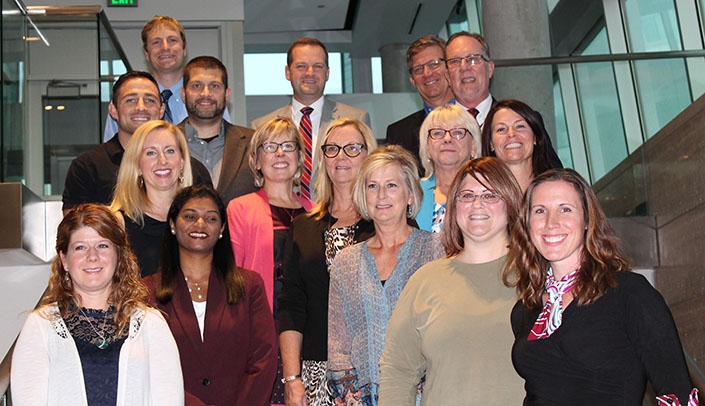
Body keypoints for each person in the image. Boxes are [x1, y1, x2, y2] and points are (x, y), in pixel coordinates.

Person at [505, 168, 700, 405]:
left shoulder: (629, 294)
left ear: (587, 220)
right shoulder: (525, 311)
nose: (550, 222)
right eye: (539, 211)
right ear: (527, 224)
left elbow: (677, 391)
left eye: (565, 209)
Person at [378, 157, 525, 405]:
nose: (477, 204)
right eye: (466, 196)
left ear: (510, 203)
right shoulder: (425, 281)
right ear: (454, 207)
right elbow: (398, 371)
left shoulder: (537, 278)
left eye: (490, 195)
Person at [12, 203, 183, 405]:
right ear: (64, 259)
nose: (92, 256)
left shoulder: (151, 325)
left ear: (118, 255)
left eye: (102, 245)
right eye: (80, 247)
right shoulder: (41, 326)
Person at [327, 145, 444, 405]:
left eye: (391, 185)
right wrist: (348, 395)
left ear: (410, 195)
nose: (381, 195)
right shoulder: (346, 262)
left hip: (425, 395)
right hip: (361, 398)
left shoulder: (436, 251)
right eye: (372, 186)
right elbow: (338, 342)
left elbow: (446, 332)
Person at [143, 185, 278, 406]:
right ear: (172, 225)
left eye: (211, 218)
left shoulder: (250, 286)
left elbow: (263, 358)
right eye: (189, 216)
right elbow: (148, 366)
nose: (200, 224)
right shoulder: (146, 292)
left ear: (222, 228)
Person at [278, 118, 378, 406]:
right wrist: (292, 378)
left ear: (369, 155)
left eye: (352, 148)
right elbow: (292, 307)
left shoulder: (386, 223)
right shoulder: (304, 227)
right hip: (315, 373)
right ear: (322, 158)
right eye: (332, 149)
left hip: (374, 371)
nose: (341, 156)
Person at [227, 117, 315, 404]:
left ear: (300, 157)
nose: (280, 153)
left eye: (288, 146)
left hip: (309, 332)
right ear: (256, 159)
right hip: (261, 334)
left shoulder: (316, 212)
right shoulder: (240, 209)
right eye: (270, 146)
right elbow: (232, 282)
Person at [63, 71, 211, 215]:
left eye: (150, 100)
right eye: (130, 100)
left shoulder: (191, 170)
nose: (141, 107)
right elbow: (76, 231)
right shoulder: (87, 168)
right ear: (113, 110)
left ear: (161, 110)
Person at [251, 37, 370, 200]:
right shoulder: (261, 126)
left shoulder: (356, 119)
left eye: (318, 66)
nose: (310, 73)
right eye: (301, 66)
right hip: (282, 217)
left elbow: (367, 174)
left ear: (327, 73)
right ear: (287, 72)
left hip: (338, 215)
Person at [444, 31, 562, 168]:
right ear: (447, 75)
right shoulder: (435, 131)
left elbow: (553, 173)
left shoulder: (525, 122)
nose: (464, 67)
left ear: (490, 69)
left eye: (473, 59)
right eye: (455, 61)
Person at [102, 16, 230, 141]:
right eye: (156, 42)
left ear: (184, 49)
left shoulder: (207, 99)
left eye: (172, 40)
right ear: (146, 53)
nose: (165, 48)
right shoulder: (127, 99)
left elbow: (224, 145)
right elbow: (111, 151)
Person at [110, 120, 195, 277]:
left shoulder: (199, 220)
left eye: (170, 151)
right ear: (137, 165)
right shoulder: (116, 224)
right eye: (151, 153)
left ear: (182, 161)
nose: (162, 160)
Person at [179, 56, 257, 205]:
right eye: (197, 86)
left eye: (214, 86)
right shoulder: (165, 143)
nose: (205, 93)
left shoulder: (253, 143)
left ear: (227, 94)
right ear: (183, 94)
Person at [386, 35, 454, 168]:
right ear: (412, 81)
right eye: (418, 69)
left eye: (434, 64)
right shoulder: (398, 133)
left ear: (449, 68)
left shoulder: (475, 118)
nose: (427, 73)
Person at [415, 104, 479, 232]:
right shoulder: (412, 192)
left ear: (473, 146)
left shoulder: (488, 192)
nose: (447, 139)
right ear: (427, 148)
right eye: (438, 133)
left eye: (457, 133)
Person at [482, 99, 556, 191]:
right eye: (501, 129)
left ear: (535, 137)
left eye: (520, 126)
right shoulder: (482, 195)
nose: (511, 134)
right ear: (491, 144)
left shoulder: (558, 188)